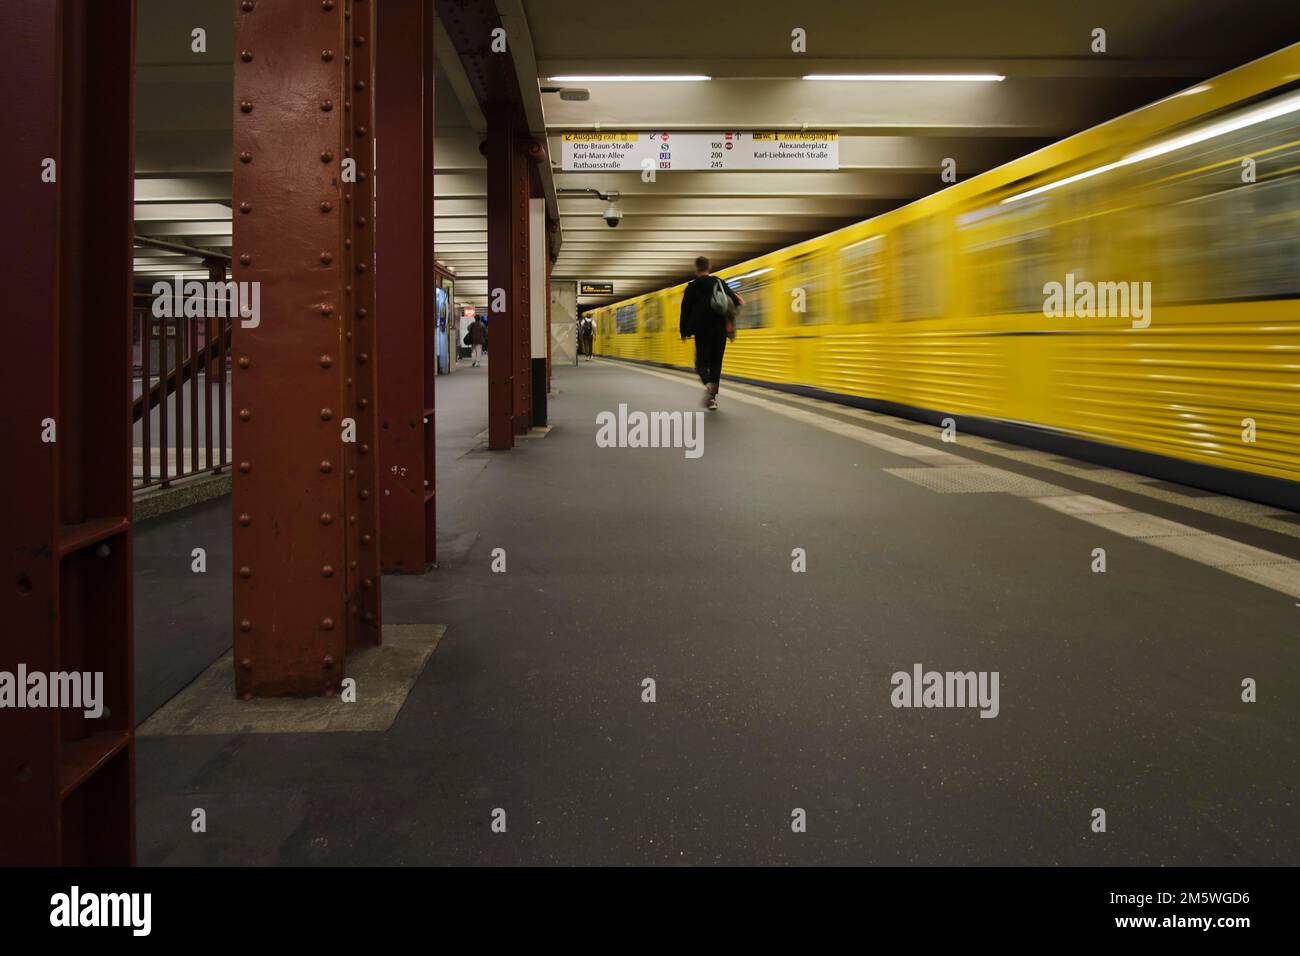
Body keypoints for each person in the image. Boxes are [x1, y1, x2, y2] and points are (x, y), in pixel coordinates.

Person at [679, 255, 741, 410]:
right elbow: (734, 301)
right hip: (720, 331)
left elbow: (684, 311)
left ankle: (708, 384)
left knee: (700, 363)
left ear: (696, 268)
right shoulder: (719, 282)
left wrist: (683, 331)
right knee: (716, 364)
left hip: (701, 331)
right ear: (709, 267)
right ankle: (712, 399)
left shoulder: (692, 287)